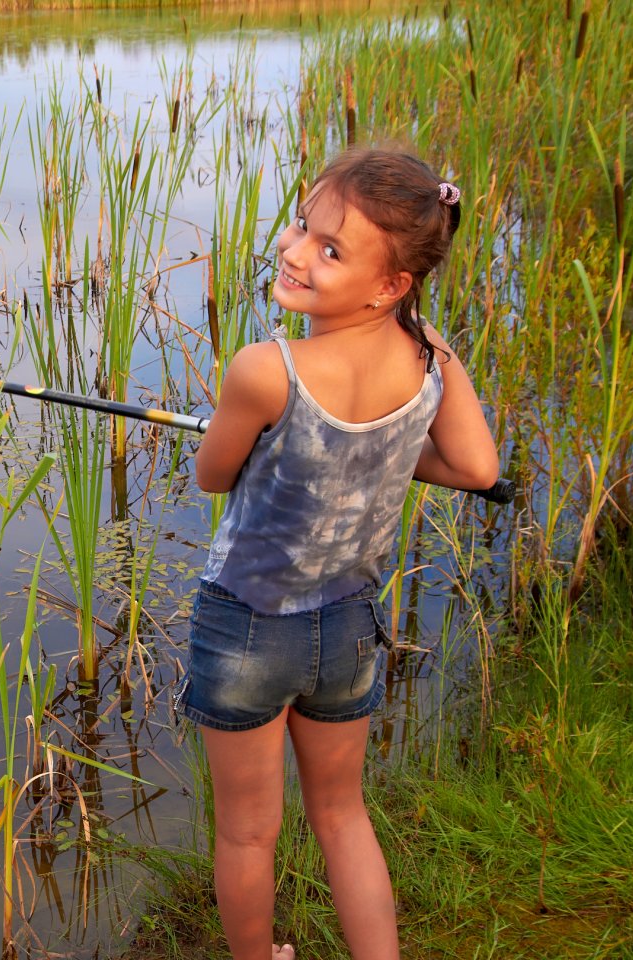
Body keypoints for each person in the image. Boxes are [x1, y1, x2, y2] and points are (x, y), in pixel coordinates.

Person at [176, 146, 500, 960]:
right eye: (302, 226)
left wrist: (248, 434)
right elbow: (475, 467)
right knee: (341, 813)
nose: (295, 251)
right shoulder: (430, 358)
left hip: (246, 629)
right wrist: (383, 452)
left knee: (249, 835)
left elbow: (214, 475)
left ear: (390, 283)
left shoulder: (264, 370)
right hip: (348, 628)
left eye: (329, 249)